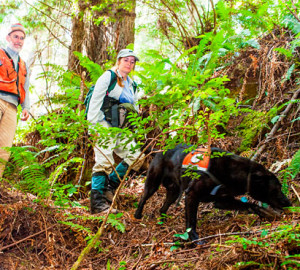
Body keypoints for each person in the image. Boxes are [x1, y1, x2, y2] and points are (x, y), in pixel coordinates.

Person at [87, 49, 144, 214]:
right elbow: (96, 99)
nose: (129, 64)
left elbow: (133, 107)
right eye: (126, 60)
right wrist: (93, 126)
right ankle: (97, 203)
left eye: (132, 61)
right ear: (119, 61)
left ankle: (109, 187)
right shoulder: (109, 76)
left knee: (136, 157)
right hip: (103, 123)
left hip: (120, 127)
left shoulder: (131, 84)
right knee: (104, 159)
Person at [0, 23, 30, 178]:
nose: (18, 40)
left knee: (5, 148)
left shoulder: (23, 64)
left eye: (22, 38)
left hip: (12, 107)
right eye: (15, 37)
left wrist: (26, 107)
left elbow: (26, 87)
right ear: (8, 37)